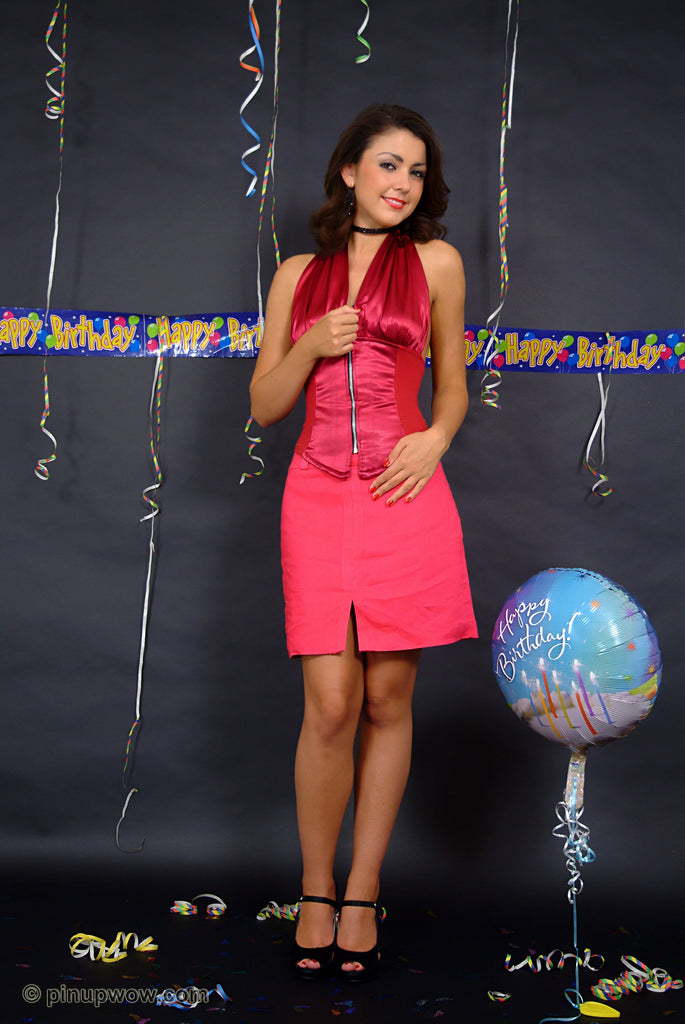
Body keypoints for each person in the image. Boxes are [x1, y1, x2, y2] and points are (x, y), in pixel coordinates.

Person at [249, 103, 477, 982]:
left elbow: (451, 383)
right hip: (315, 492)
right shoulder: (295, 275)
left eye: (416, 171)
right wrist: (309, 343)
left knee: (386, 698)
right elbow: (265, 405)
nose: (401, 184)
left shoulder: (437, 264)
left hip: (401, 489)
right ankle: (315, 889)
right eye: (387, 165)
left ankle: (362, 891)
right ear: (348, 170)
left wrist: (436, 439)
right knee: (330, 705)